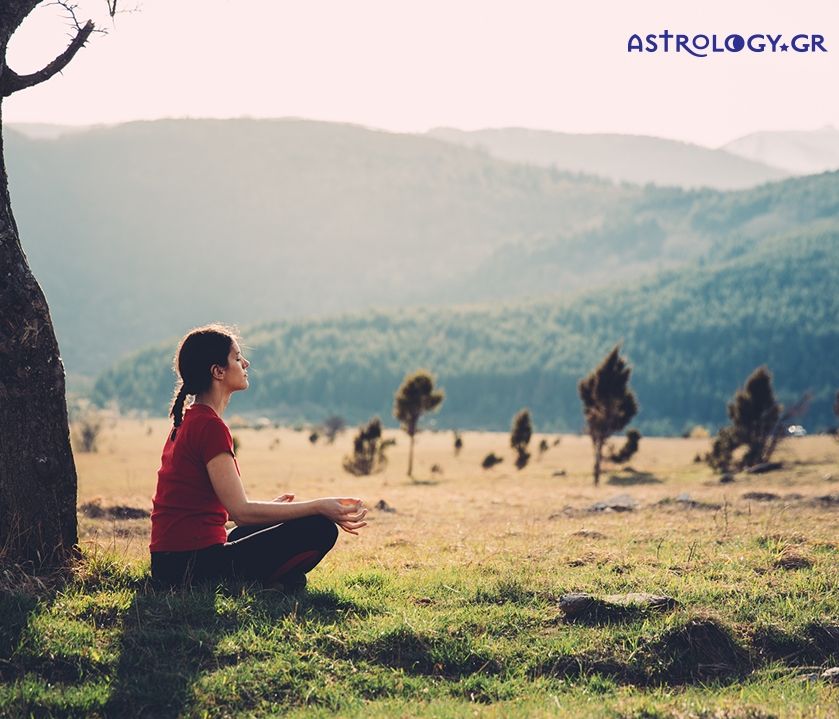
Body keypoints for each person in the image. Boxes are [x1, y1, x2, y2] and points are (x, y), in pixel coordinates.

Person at [149, 324, 367, 589]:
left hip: (170, 563)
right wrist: (320, 505)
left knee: (268, 527)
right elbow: (241, 512)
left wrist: (277, 511)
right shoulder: (209, 426)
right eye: (237, 358)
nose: (246, 363)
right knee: (319, 528)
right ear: (218, 372)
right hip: (192, 568)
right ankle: (268, 582)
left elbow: (199, 508)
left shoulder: (188, 421)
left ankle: (276, 579)